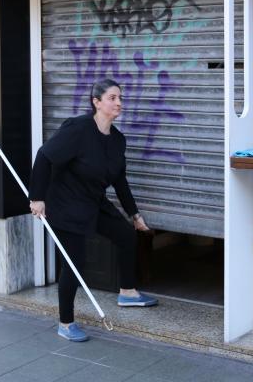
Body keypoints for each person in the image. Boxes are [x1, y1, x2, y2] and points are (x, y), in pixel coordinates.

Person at [29, 78, 157, 342]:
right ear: (96, 102)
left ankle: (128, 292)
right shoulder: (78, 129)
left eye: (120, 97)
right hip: (66, 204)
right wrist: (37, 197)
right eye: (112, 98)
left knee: (125, 235)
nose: (118, 102)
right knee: (74, 265)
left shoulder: (118, 140)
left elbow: (120, 180)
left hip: (92, 201)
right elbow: (44, 156)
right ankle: (66, 323)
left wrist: (135, 215)